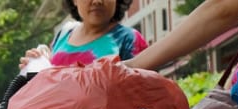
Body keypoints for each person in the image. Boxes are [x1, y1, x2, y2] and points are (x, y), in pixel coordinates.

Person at [19, 0, 147, 70]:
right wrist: (34, 65)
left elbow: (143, 93)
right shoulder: (63, 34)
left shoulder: (129, 39)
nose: (97, 1)